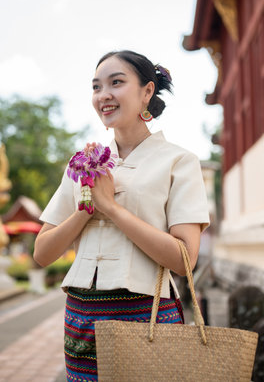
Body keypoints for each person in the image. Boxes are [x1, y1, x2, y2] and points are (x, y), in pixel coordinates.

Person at [34, 50, 210, 381]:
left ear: (147, 91)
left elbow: (184, 260)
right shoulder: (82, 164)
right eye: (96, 87)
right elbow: (42, 253)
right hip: (81, 317)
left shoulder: (179, 161)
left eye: (117, 83)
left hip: (147, 315)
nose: (104, 95)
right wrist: (87, 211)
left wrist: (111, 208)